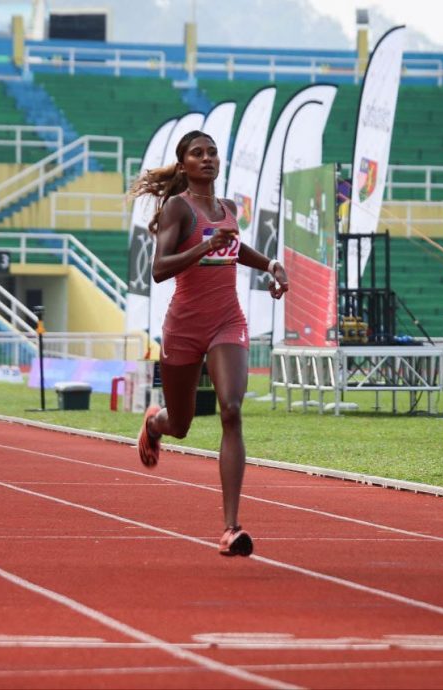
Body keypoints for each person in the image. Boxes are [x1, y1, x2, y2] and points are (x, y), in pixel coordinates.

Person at [130, 130, 289, 558]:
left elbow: (234, 250)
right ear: (183, 165)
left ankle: (231, 528)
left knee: (231, 410)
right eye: (197, 154)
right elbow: (159, 269)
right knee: (180, 424)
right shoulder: (176, 210)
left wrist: (272, 265)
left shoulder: (228, 209)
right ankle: (154, 423)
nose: (207, 158)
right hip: (184, 327)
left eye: (213, 152)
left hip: (227, 322)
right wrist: (203, 247)